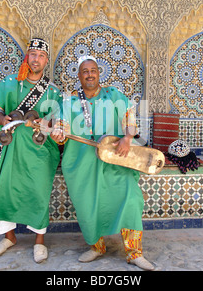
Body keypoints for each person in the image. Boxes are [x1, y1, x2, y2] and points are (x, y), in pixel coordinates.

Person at [51, 55, 155, 270]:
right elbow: (60, 126)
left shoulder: (113, 94)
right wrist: (58, 133)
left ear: (99, 73)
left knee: (131, 198)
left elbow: (130, 116)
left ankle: (134, 252)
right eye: (85, 71)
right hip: (82, 164)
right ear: (79, 76)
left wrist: (127, 138)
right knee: (88, 205)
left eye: (93, 70)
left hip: (115, 160)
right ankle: (97, 247)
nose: (90, 74)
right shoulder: (69, 101)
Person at [0, 38, 61, 263]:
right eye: (32, 54)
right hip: (11, 148)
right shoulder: (10, 83)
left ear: (46, 60)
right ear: (27, 56)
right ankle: (9, 237)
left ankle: (39, 242)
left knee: (38, 192)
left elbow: (56, 120)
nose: (36, 59)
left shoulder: (52, 91)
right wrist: (3, 118)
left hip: (40, 152)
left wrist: (42, 122)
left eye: (41, 55)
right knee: (6, 190)